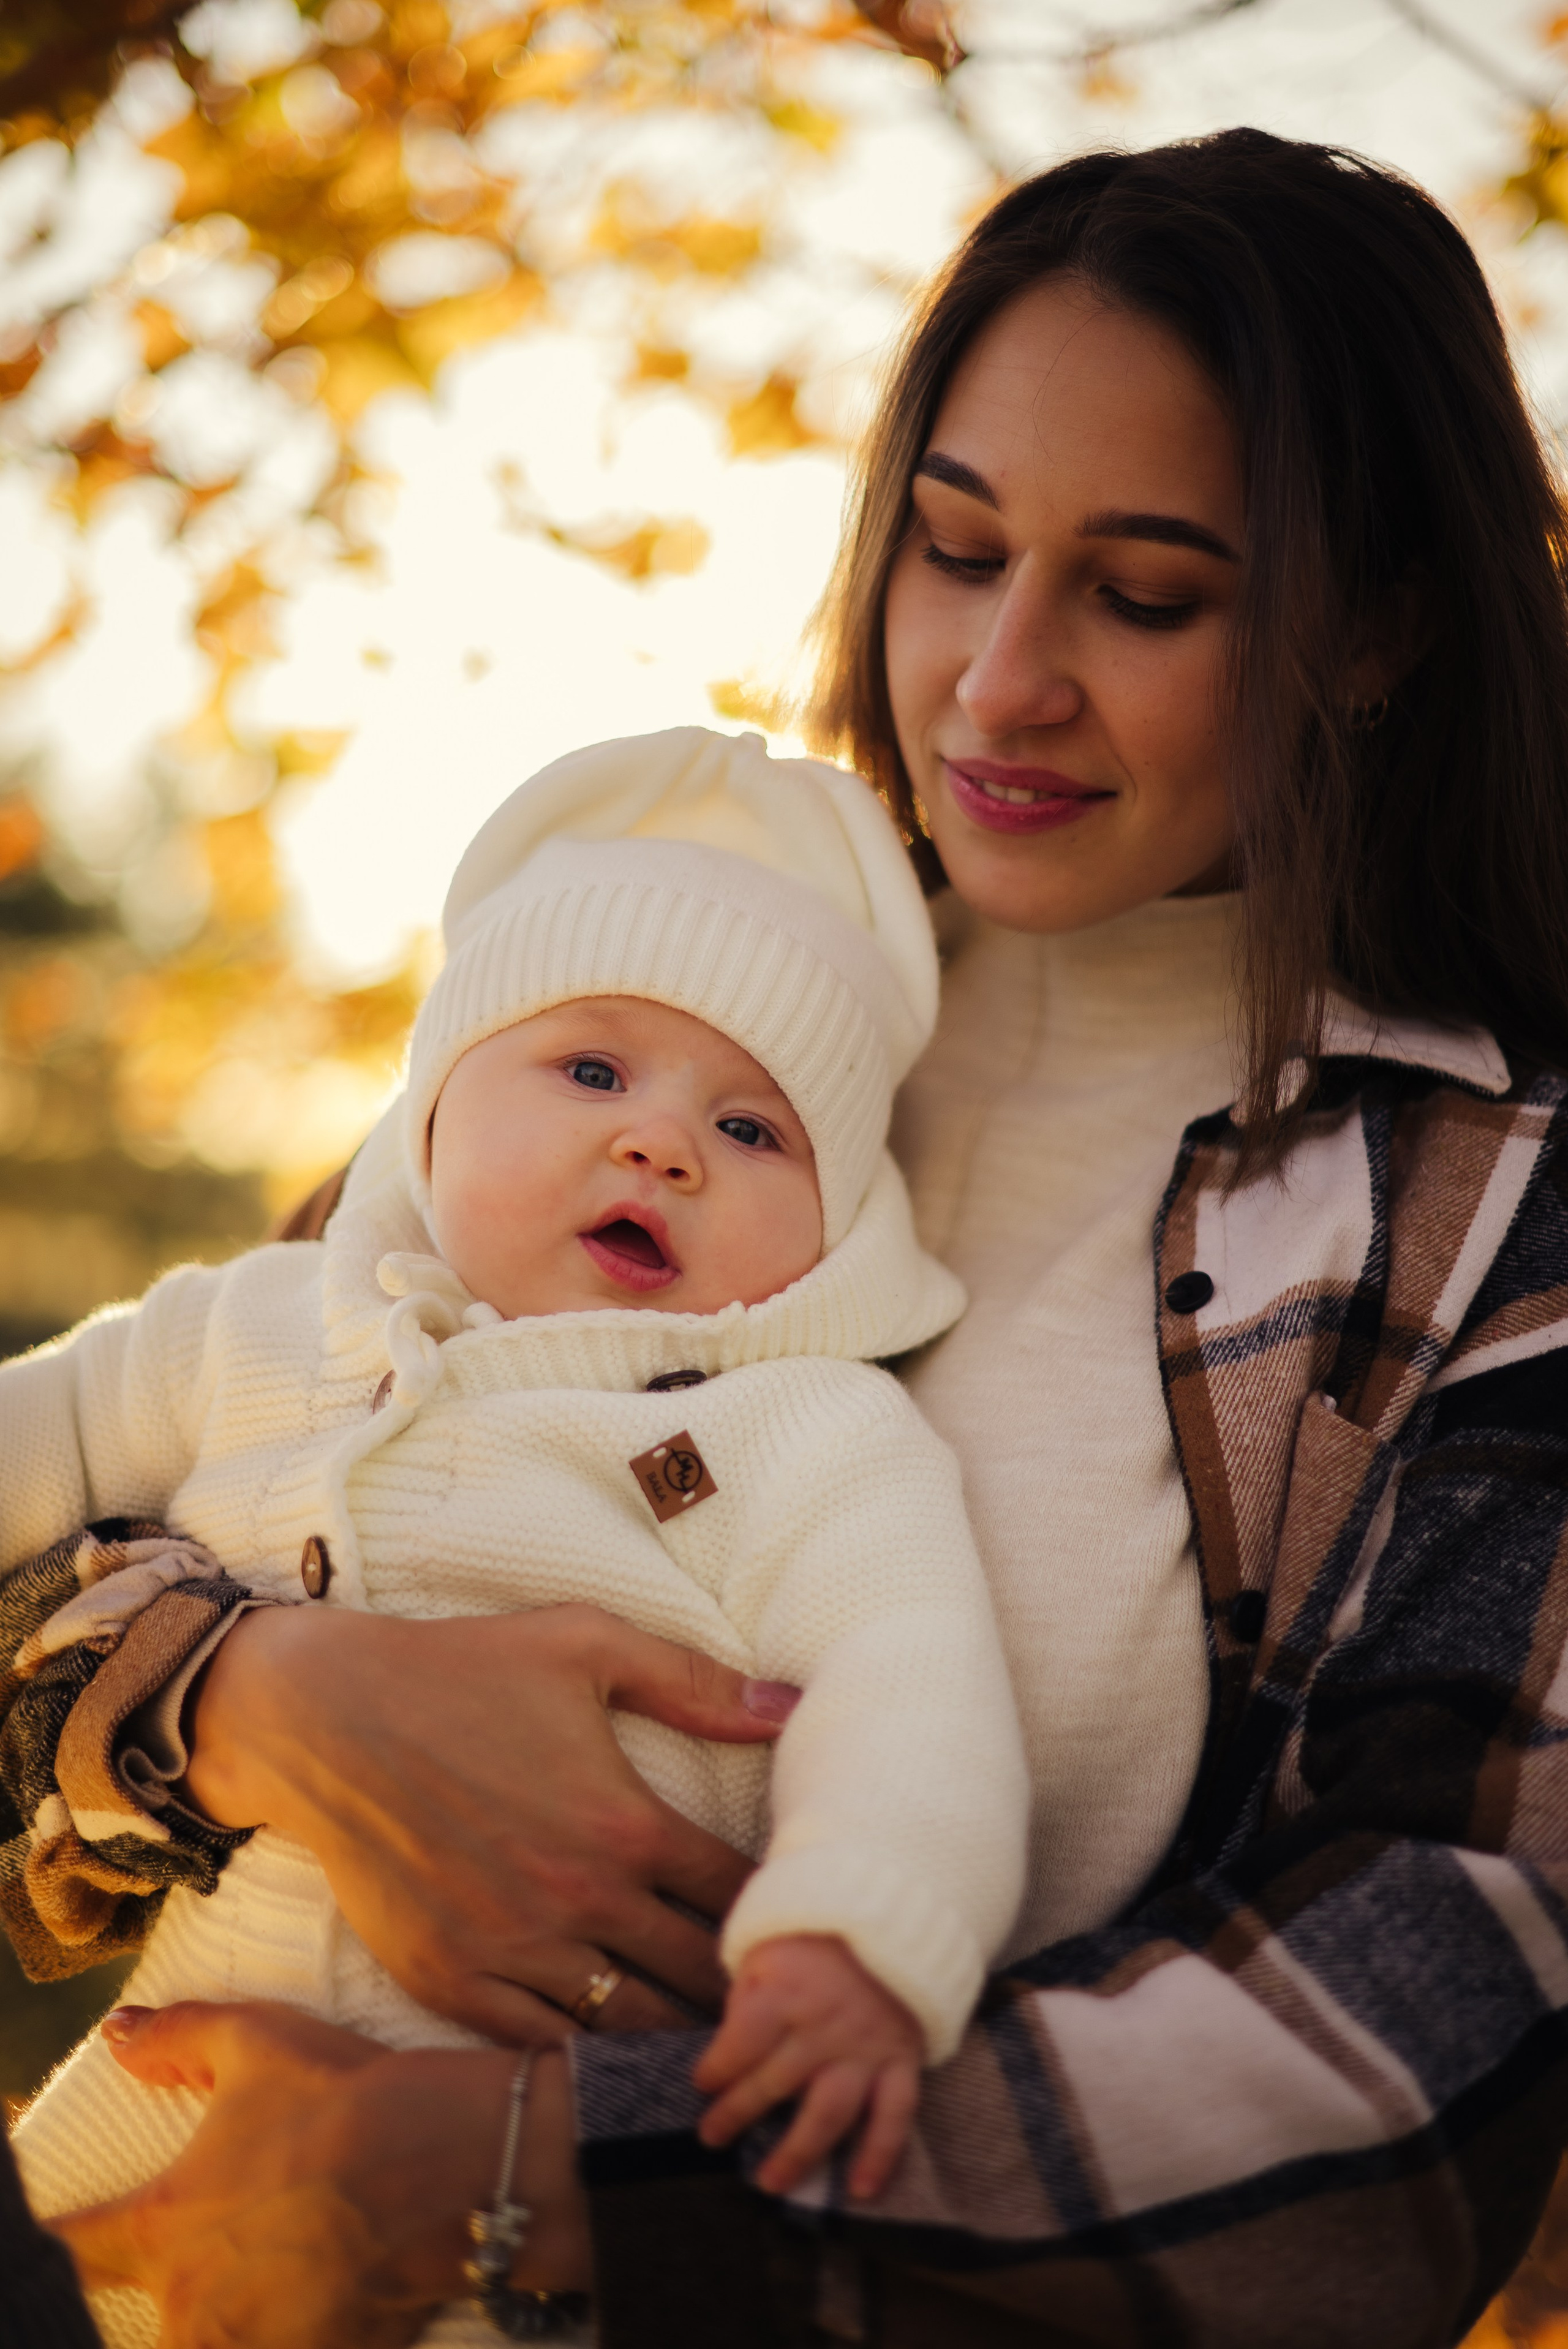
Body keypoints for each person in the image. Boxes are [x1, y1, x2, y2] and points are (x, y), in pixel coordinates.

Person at [6, 124, 1568, 2347]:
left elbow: (1439, 2016)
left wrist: (531, 2175)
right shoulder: (682, 1003)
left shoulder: (1487, 1218)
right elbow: (155, 1470)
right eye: (953, 549)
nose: (996, 684)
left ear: (1378, 631)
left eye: (1143, 596)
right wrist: (264, 1694)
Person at [3, 728, 1030, 2345]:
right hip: (182, 2089)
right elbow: (42, 1436)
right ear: (430, 1105)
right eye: (594, 1069)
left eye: (755, 1131)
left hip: (515, 2181)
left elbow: (911, 1685)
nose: (664, 1142)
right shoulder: (263, 1321)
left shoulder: (805, 1432)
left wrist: (860, 1932)